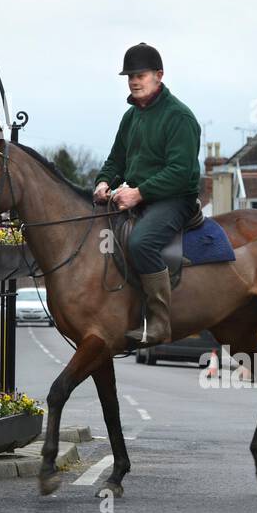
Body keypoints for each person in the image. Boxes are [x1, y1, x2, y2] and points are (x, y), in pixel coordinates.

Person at [93, 42, 202, 346]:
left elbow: (181, 172)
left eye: (140, 74)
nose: (134, 81)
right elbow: (116, 160)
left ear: (159, 75)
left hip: (175, 199)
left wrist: (139, 193)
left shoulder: (179, 116)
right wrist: (103, 182)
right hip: (138, 196)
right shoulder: (131, 117)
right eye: (130, 76)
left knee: (141, 243)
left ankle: (159, 323)